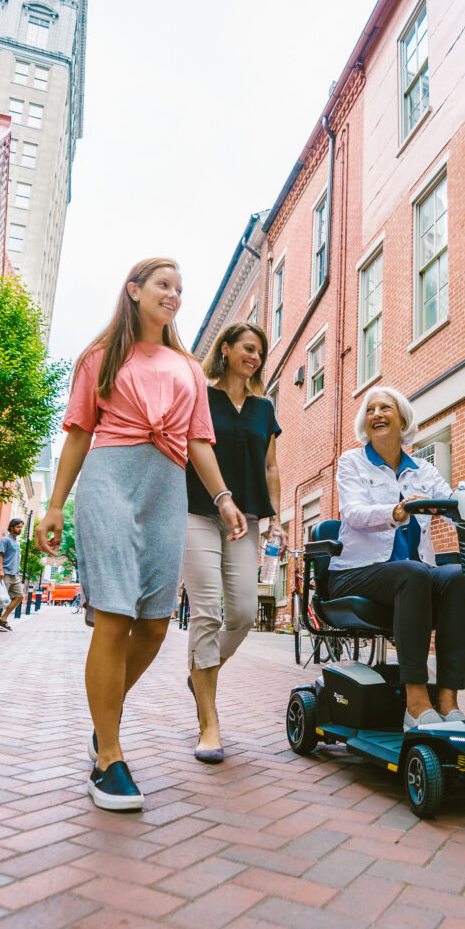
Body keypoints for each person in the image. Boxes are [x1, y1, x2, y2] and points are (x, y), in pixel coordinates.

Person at [36, 257, 247, 812]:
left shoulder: (186, 367)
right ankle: (109, 756)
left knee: (154, 625)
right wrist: (55, 505)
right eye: (163, 284)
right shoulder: (99, 356)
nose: (174, 294)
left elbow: (199, 441)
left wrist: (223, 500)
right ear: (133, 291)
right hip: (110, 478)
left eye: (180, 287)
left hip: (166, 487)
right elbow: (80, 432)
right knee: (115, 615)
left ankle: (102, 715)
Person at [327, 386, 465, 731]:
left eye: (385, 408)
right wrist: (398, 510)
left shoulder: (422, 469)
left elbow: (451, 504)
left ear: (402, 418)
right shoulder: (352, 462)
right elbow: (353, 513)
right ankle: (416, 703)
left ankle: (448, 701)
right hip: (356, 571)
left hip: (412, 574)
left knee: (460, 577)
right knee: (413, 573)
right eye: (370, 409)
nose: (377, 414)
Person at [183, 322, 281, 763]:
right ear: (225, 349)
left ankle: (202, 670)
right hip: (198, 511)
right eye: (247, 348)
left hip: (248, 519)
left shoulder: (264, 409)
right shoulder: (201, 396)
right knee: (205, 611)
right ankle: (209, 723)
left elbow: (271, 468)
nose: (255, 357)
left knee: (241, 613)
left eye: (259, 352)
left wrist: (275, 518)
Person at [0, 518, 25, 631]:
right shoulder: (6, 540)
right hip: (4, 573)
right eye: (18, 527)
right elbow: (0, 555)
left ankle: (3, 618)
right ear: (12, 527)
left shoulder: (17, 542)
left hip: (14, 575)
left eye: (21, 527)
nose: (20, 529)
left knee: (20, 596)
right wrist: (0, 569)